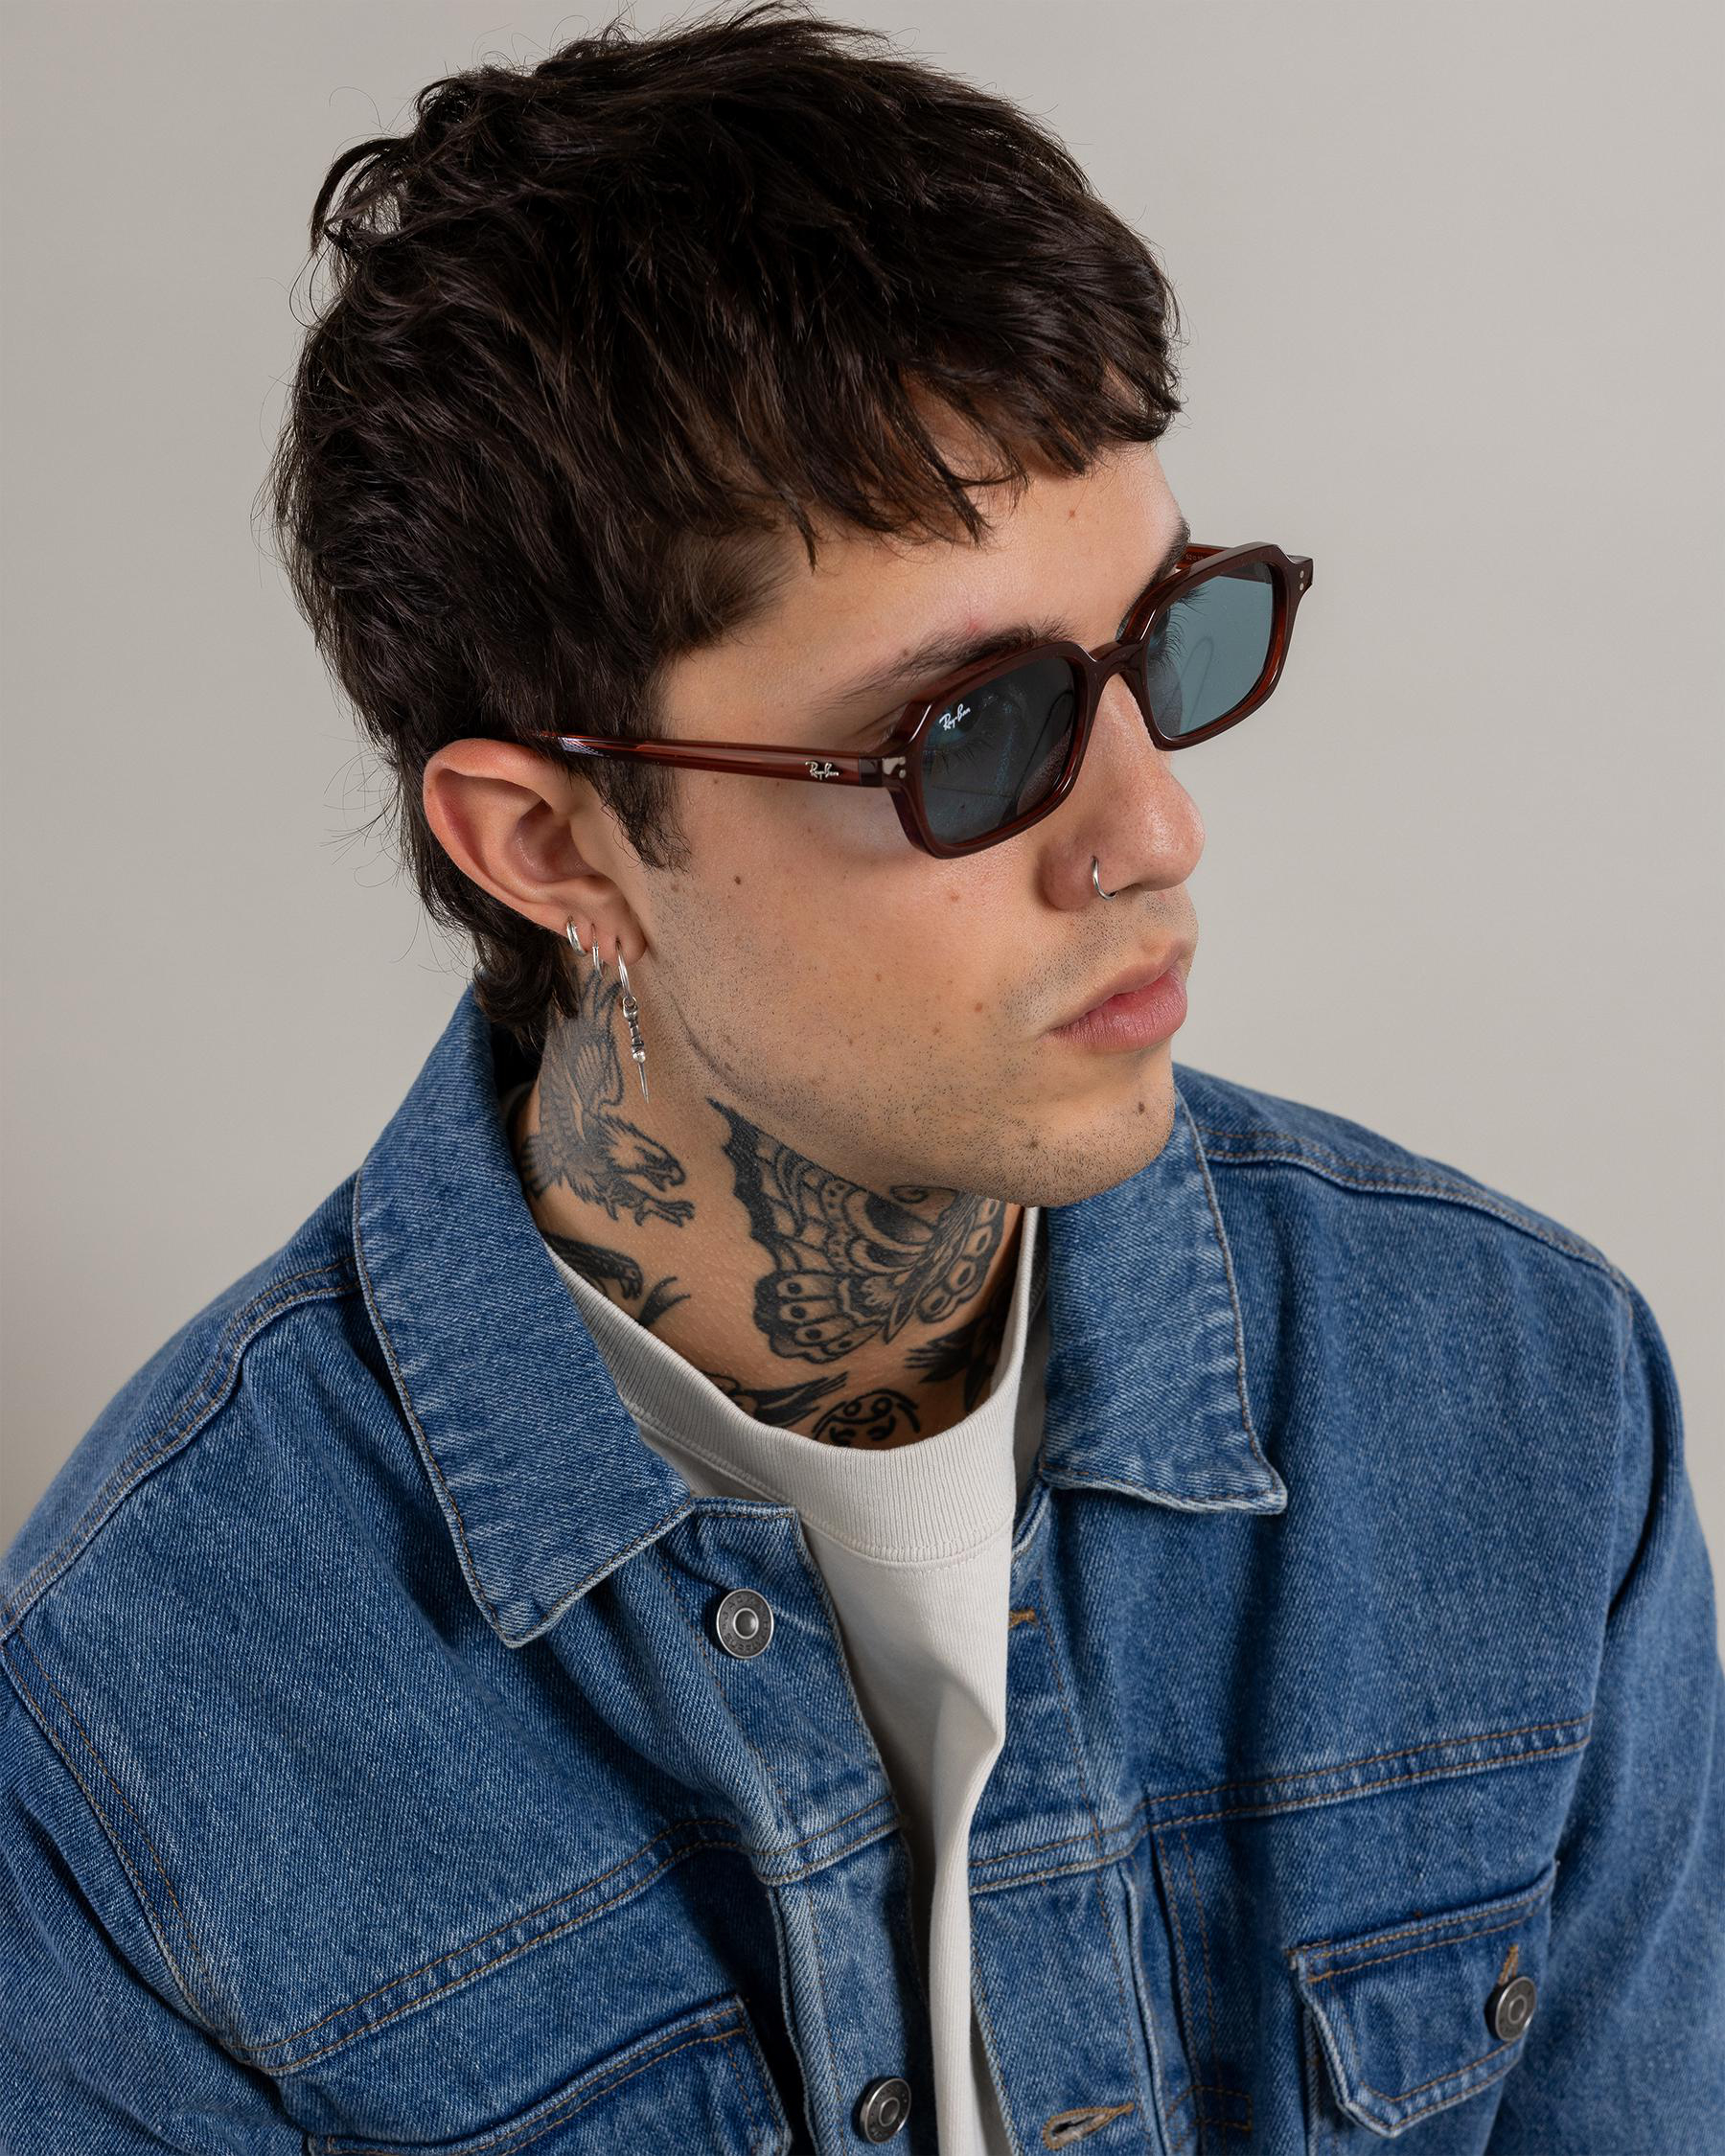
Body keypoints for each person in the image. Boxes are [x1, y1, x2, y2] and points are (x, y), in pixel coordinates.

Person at [3, 5, 1720, 2149]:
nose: (1153, 831)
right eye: (973, 735)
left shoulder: (1517, 1397)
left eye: (1167, 643)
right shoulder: (135, 1723)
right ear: (548, 846)